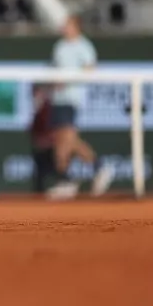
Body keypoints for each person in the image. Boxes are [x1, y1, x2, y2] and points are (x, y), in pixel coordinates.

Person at [47, 15, 114, 199]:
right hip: (57, 99)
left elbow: (90, 68)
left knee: (67, 139)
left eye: (67, 25)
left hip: (72, 98)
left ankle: (81, 175)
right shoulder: (59, 46)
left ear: (76, 27)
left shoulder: (84, 46)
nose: (64, 28)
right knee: (61, 141)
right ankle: (72, 178)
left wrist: (69, 79)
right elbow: (54, 70)